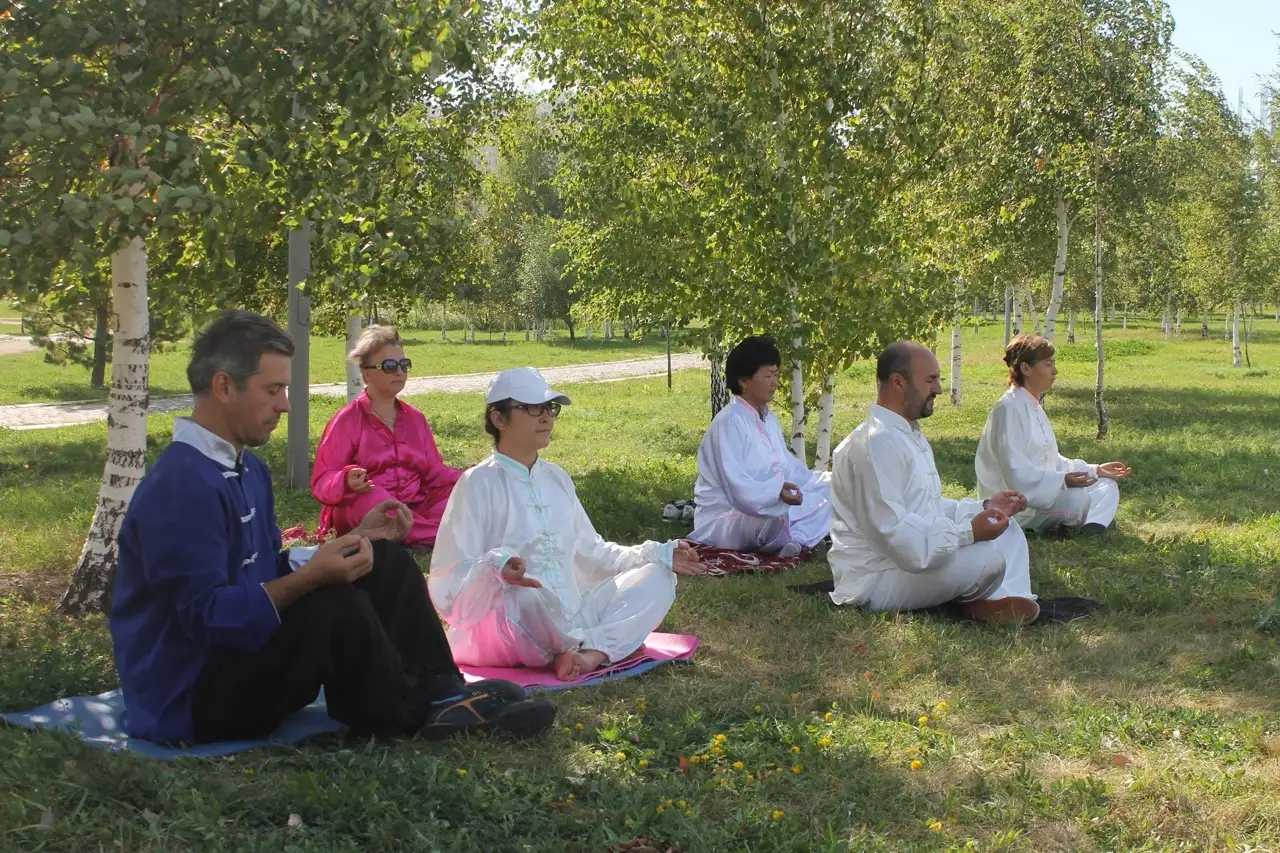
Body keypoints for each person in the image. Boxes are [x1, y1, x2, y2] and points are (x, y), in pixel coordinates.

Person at [110, 311, 555, 746]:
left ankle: (444, 690)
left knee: (385, 561)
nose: (285, 404)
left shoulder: (249, 471)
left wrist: (354, 539)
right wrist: (311, 578)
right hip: (193, 697)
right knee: (335, 608)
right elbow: (206, 618)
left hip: (241, 659)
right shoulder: (180, 487)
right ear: (224, 386)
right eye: (273, 390)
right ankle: (412, 715)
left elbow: (265, 566)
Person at [429, 367, 707, 682]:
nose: (546, 417)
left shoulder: (557, 479)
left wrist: (659, 553)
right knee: (524, 594)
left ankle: (589, 654)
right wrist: (496, 569)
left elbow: (594, 553)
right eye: (534, 408)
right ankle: (584, 647)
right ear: (499, 419)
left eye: (551, 408)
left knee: (659, 577)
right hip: (512, 621)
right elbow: (450, 575)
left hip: (574, 616)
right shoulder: (477, 483)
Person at [827, 341, 1040, 622]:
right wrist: (969, 533)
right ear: (898, 382)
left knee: (1006, 527)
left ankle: (1002, 599)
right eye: (931, 379)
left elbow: (926, 506)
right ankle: (980, 602)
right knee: (986, 557)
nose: (939, 389)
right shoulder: (874, 445)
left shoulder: (905, 433)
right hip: (877, 577)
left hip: (913, 557)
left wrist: (984, 507)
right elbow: (896, 536)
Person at [312, 325, 462, 549]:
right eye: (390, 366)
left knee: (461, 496)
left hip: (415, 505)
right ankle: (444, 533)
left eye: (404, 365)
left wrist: (469, 479)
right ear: (366, 373)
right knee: (375, 500)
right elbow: (322, 479)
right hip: (366, 504)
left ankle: (414, 530)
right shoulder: (346, 420)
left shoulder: (415, 419)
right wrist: (345, 480)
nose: (400, 372)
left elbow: (434, 472)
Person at [689, 335, 832, 557]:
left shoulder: (769, 420)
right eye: (767, 375)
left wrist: (825, 480)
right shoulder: (728, 423)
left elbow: (789, 469)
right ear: (743, 381)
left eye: (776, 375)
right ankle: (795, 538)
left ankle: (796, 541)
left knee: (836, 489)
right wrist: (777, 494)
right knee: (775, 518)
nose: (774, 382)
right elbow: (737, 488)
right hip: (728, 517)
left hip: (771, 505)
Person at [975, 333, 1130, 536]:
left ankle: (1092, 525)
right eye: (1048, 365)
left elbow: (1051, 461)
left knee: (1105, 485)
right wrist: (1063, 481)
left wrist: (1095, 470)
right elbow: (1015, 474)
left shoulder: (1032, 405)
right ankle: (1089, 523)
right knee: (1079, 498)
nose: (1055, 371)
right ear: (1026, 368)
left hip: (1044, 492)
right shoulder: (1008, 409)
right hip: (1016, 506)